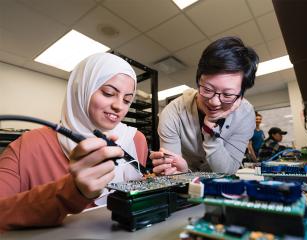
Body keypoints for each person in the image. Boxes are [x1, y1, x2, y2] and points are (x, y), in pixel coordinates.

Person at [0, 53, 148, 231]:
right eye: (108, 93)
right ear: (81, 90)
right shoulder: (27, 146)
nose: (119, 106)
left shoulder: (136, 139)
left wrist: (174, 179)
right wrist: (69, 191)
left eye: (127, 99)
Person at [150, 36, 259, 175]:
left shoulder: (246, 114)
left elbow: (228, 171)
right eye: (207, 89)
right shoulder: (173, 112)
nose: (214, 102)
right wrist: (182, 172)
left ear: (241, 95)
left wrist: (210, 131)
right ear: (197, 81)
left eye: (227, 95)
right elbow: (172, 174)